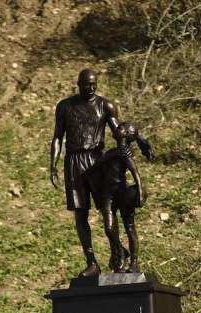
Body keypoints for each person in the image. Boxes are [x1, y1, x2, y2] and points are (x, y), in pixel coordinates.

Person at [50, 68, 120, 276]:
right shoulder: (65, 106)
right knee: (80, 213)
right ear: (78, 84)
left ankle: (117, 253)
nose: (90, 88)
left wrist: (132, 146)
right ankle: (91, 261)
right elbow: (57, 137)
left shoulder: (105, 105)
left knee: (107, 208)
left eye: (93, 84)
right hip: (73, 161)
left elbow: (119, 132)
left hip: (96, 160)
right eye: (86, 84)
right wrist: (53, 164)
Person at [82, 121, 155, 273]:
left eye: (121, 128)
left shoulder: (124, 153)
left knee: (129, 228)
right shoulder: (113, 152)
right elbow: (96, 165)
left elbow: (135, 172)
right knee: (109, 228)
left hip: (121, 193)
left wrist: (140, 192)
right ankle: (121, 249)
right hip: (107, 195)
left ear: (127, 135)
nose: (117, 128)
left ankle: (134, 263)